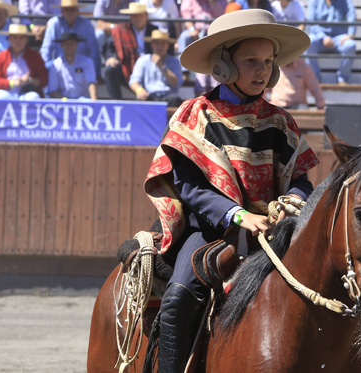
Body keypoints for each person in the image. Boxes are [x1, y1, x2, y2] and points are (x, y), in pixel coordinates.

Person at [144, 9, 318, 372]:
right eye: (251, 60)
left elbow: (301, 179)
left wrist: (293, 200)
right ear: (222, 65)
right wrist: (239, 215)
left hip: (275, 232)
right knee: (177, 298)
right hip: (208, 233)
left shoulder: (281, 121)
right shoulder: (195, 114)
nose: (262, 70)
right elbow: (188, 187)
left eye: (268, 62)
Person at [102, 2, 158, 99]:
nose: (137, 18)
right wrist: (110, 57)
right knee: (109, 70)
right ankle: (116, 102)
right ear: (131, 17)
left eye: (140, 15)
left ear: (146, 16)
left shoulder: (155, 31)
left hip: (150, 68)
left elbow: (165, 50)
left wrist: (158, 58)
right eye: (134, 16)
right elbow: (108, 47)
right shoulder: (122, 30)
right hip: (128, 66)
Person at [177, 0, 227, 94]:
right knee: (184, 36)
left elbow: (223, 17)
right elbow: (185, 14)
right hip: (195, 33)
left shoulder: (221, 1)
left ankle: (213, 91)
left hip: (214, 34)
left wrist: (213, 3)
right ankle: (185, 72)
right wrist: (192, 29)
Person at [41, 0, 101, 76]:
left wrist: (96, 73)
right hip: (60, 66)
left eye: (72, 10)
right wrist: (42, 72)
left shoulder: (87, 25)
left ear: (77, 11)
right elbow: (46, 49)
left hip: (81, 67)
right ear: (62, 11)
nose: (69, 13)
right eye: (66, 10)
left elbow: (94, 50)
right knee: (48, 67)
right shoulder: (54, 23)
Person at [0, 24, 48, 100]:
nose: (18, 41)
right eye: (15, 37)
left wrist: (30, 80)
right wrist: (13, 82)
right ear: (9, 39)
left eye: (21, 37)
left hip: (27, 93)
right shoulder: (1, 56)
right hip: (7, 92)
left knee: (33, 97)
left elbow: (44, 79)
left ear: (26, 39)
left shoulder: (35, 56)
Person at [305, 0, 357, 85]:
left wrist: (350, 34)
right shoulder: (314, 1)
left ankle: (342, 79)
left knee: (350, 45)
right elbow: (311, 23)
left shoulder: (345, 1)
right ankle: (315, 79)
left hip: (339, 38)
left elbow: (352, 15)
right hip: (320, 37)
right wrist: (323, 37)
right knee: (309, 42)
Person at [129, 30, 183, 106]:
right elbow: (133, 82)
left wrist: (162, 66)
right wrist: (140, 91)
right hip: (149, 96)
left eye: (163, 43)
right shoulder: (143, 60)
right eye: (157, 43)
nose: (160, 47)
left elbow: (176, 83)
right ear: (152, 45)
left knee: (175, 99)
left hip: (168, 97)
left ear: (167, 45)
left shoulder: (175, 61)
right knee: (139, 99)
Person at [47, 33, 98, 100]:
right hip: (62, 101)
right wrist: (66, 101)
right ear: (62, 45)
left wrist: (94, 103)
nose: (69, 46)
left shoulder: (87, 62)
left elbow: (91, 82)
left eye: (72, 43)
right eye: (66, 44)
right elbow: (53, 90)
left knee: (87, 101)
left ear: (77, 45)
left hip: (82, 100)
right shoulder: (55, 65)